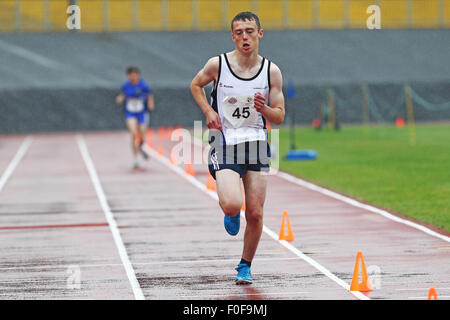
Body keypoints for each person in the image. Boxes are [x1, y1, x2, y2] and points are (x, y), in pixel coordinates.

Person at [190, 12, 285, 284]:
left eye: (250, 31)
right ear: (233, 36)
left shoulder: (271, 71)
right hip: (225, 142)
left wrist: (264, 108)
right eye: (239, 32)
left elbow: (279, 116)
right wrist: (208, 111)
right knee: (233, 205)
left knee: (255, 213)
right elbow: (195, 84)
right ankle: (230, 211)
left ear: (260, 34)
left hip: (255, 144)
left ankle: (245, 265)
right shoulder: (218, 64)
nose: (245, 37)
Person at [115, 66, 155, 168]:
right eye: (130, 75)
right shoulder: (125, 86)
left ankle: (140, 146)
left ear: (138, 75)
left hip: (142, 113)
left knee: (142, 134)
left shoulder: (143, 85)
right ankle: (136, 159)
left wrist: (150, 103)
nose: (133, 77)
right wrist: (120, 98)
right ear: (128, 76)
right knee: (134, 133)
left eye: (134, 75)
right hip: (130, 113)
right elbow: (124, 94)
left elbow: (149, 95)